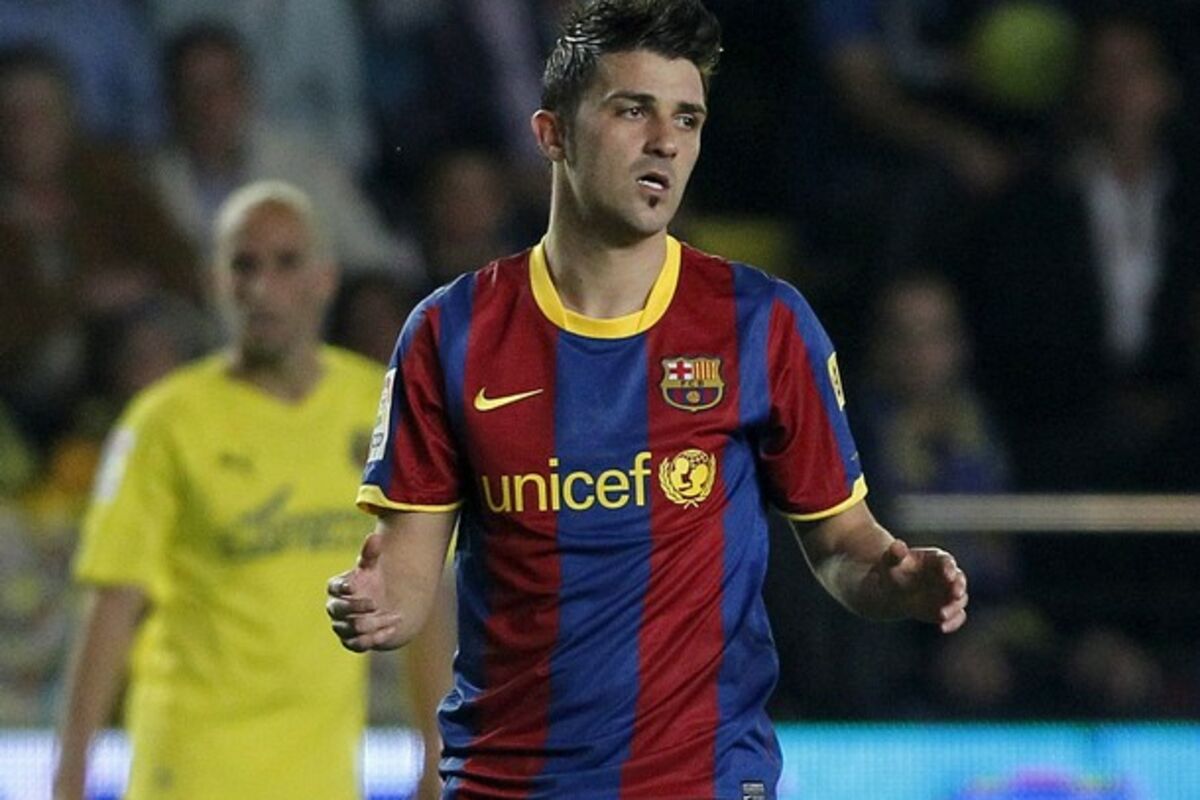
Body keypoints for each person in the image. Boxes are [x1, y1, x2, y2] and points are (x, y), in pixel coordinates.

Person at [326, 2, 968, 798]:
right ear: (553, 134)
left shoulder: (762, 323)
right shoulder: (449, 331)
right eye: (633, 110)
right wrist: (378, 603)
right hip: (510, 782)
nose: (666, 140)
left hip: (703, 780)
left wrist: (892, 580)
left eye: (687, 118)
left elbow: (843, 543)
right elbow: (409, 573)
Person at [53, 180, 448, 800]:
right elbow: (112, 608)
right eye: (244, 265)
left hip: (322, 780)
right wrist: (69, 777)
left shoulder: (380, 409)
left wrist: (438, 754)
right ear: (216, 281)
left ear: (324, 278)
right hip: (190, 772)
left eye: (286, 262)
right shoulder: (164, 424)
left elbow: (422, 594)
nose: (263, 287)